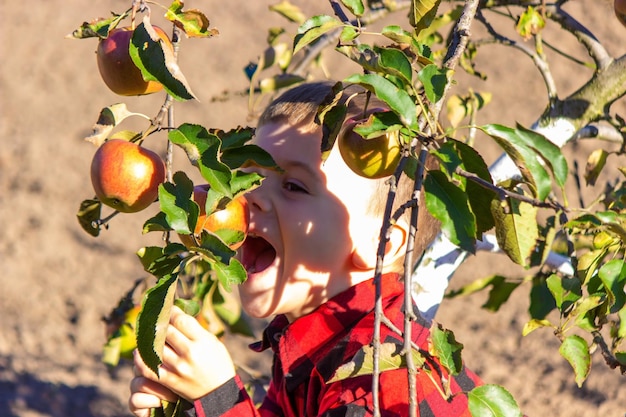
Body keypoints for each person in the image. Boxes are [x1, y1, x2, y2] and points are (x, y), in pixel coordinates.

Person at [128, 81, 483, 417]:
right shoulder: (309, 340)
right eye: (249, 176)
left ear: (382, 243)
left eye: (294, 186)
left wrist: (219, 399)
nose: (249, 198)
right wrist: (192, 403)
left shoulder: (377, 379)